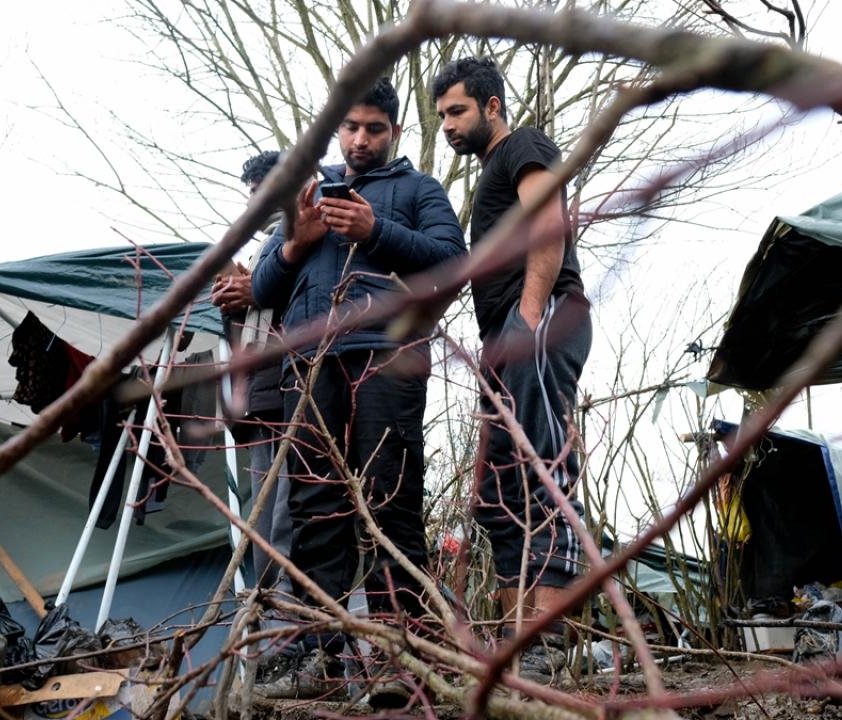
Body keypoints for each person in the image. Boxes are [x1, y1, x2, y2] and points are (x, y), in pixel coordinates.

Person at [250, 78, 465, 702]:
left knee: (391, 504)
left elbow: (454, 262)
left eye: (374, 128)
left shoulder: (419, 190)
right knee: (316, 511)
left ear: (394, 130)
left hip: (387, 359)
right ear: (335, 131)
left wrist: (375, 231)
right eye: (350, 128)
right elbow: (263, 286)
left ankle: (408, 661)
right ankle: (323, 661)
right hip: (310, 369)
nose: (361, 138)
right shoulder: (307, 193)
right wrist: (296, 243)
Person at [433, 57, 593, 684]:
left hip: (542, 318)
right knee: (500, 487)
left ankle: (548, 642)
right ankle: (517, 646)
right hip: (508, 336)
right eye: (440, 115)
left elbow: (548, 222)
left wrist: (528, 317)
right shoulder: (486, 181)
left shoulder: (521, 144)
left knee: (539, 466)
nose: (447, 125)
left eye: (457, 111)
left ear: (492, 105)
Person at [213, 149, 292, 590]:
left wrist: (252, 291)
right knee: (266, 504)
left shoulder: (296, 241)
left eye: (261, 193)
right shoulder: (270, 247)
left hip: (287, 391)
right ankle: (270, 605)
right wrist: (235, 298)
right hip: (266, 396)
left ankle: (280, 605)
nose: (253, 205)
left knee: (283, 504)